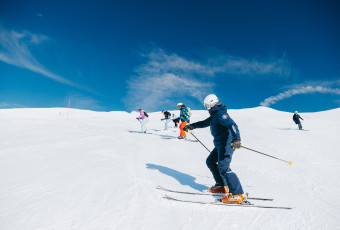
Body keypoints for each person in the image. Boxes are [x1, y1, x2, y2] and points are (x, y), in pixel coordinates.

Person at [183, 94, 244, 204]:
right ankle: (221, 186)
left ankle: (237, 194)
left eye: (207, 106)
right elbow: (203, 123)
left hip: (227, 144)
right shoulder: (214, 116)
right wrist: (191, 126)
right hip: (220, 145)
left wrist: (237, 138)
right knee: (210, 161)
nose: (207, 108)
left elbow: (233, 125)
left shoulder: (221, 114)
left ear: (211, 104)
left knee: (223, 166)